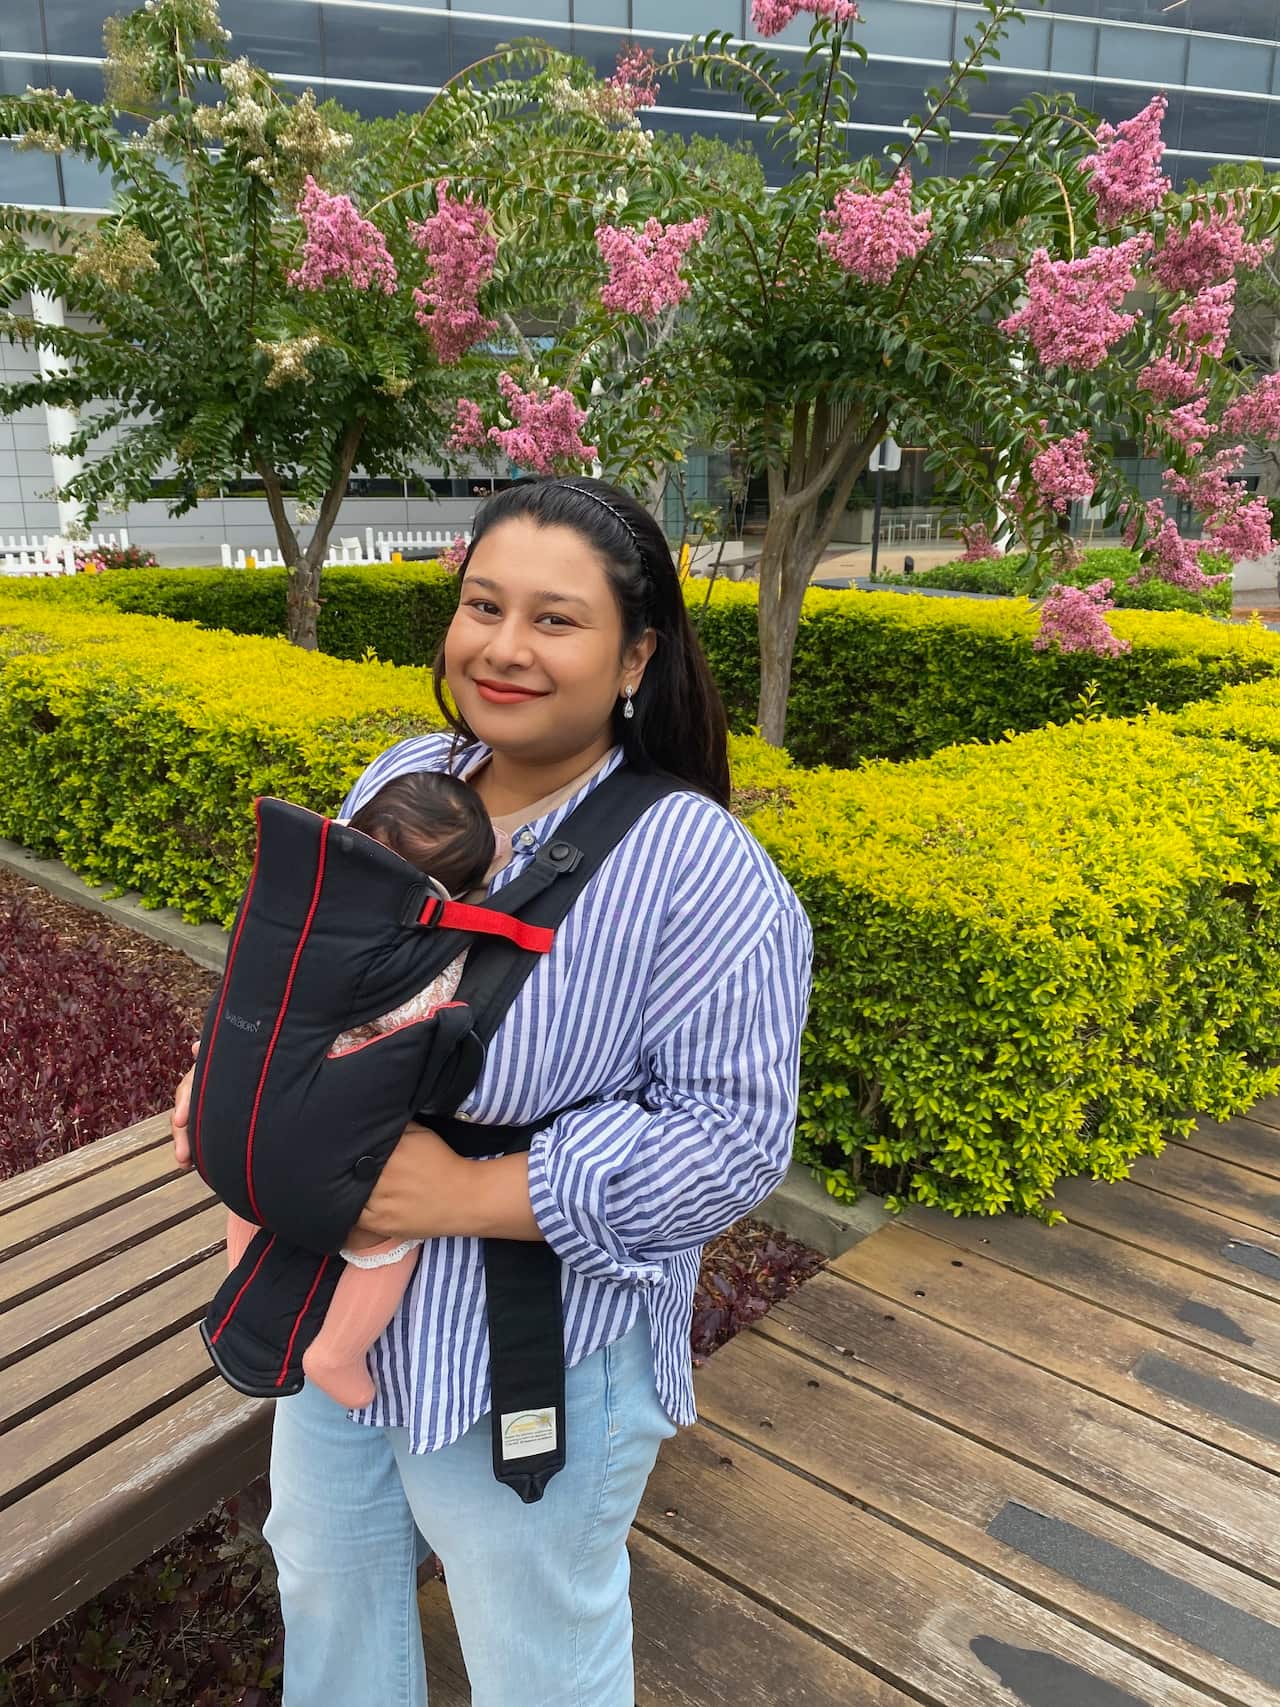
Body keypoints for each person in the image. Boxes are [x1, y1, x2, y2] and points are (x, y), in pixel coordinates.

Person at [171, 475, 814, 1707]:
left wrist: (464, 1188)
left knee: (534, 1650)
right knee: (325, 1578)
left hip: (529, 1342)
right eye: (482, 605)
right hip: (334, 1298)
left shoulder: (702, 871)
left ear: (635, 654)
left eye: (554, 620)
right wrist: (237, 1077)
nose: (503, 649)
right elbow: (317, 959)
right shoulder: (410, 771)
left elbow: (730, 1144)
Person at [172, 768, 503, 1410]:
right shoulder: (423, 941)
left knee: (253, 1197)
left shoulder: (299, 895)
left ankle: (240, 1278)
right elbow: (419, 1021)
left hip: (240, 1110)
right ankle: (336, 1353)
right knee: (389, 1238)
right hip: (323, 1132)